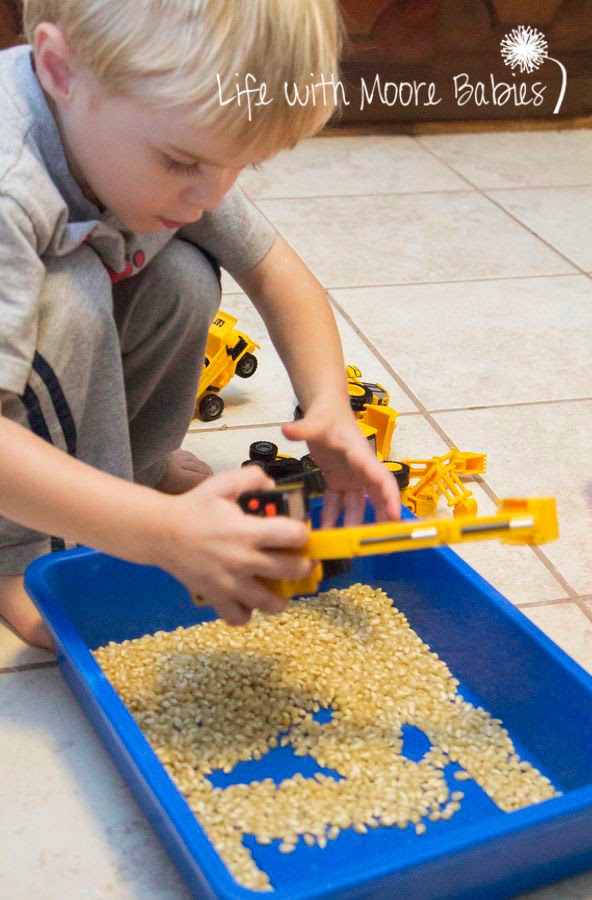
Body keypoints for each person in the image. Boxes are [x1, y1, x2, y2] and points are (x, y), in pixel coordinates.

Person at [0, 0, 400, 652]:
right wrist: (162, 533)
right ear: (59, 70)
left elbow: (279, 274)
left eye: (243, 164)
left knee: (183, 273)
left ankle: (140, 470)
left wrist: (329, 409)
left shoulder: (146, 123)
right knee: (72, 298)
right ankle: (13, 552)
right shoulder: (11, 182)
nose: (211, 195)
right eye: (185, 164)